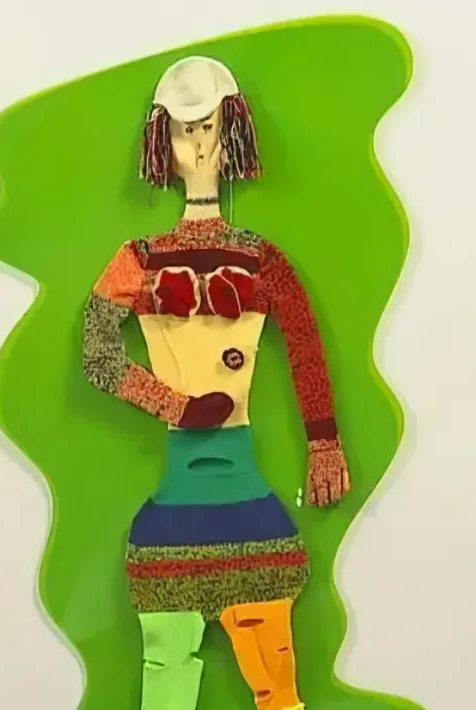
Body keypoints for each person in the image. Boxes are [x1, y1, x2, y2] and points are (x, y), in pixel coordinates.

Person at [83, 56, 350, 710]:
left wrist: (324, 443)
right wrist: (174, 405)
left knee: (277, 687)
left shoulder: (260, 258)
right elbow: (97, 354)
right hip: (173, 518)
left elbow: (305, 342)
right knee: (166, 680)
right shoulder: (137, 261)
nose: (199, 147)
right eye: (184, 132)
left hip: (247, 504)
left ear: (234, 135)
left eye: (209, 129)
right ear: (161, 144)